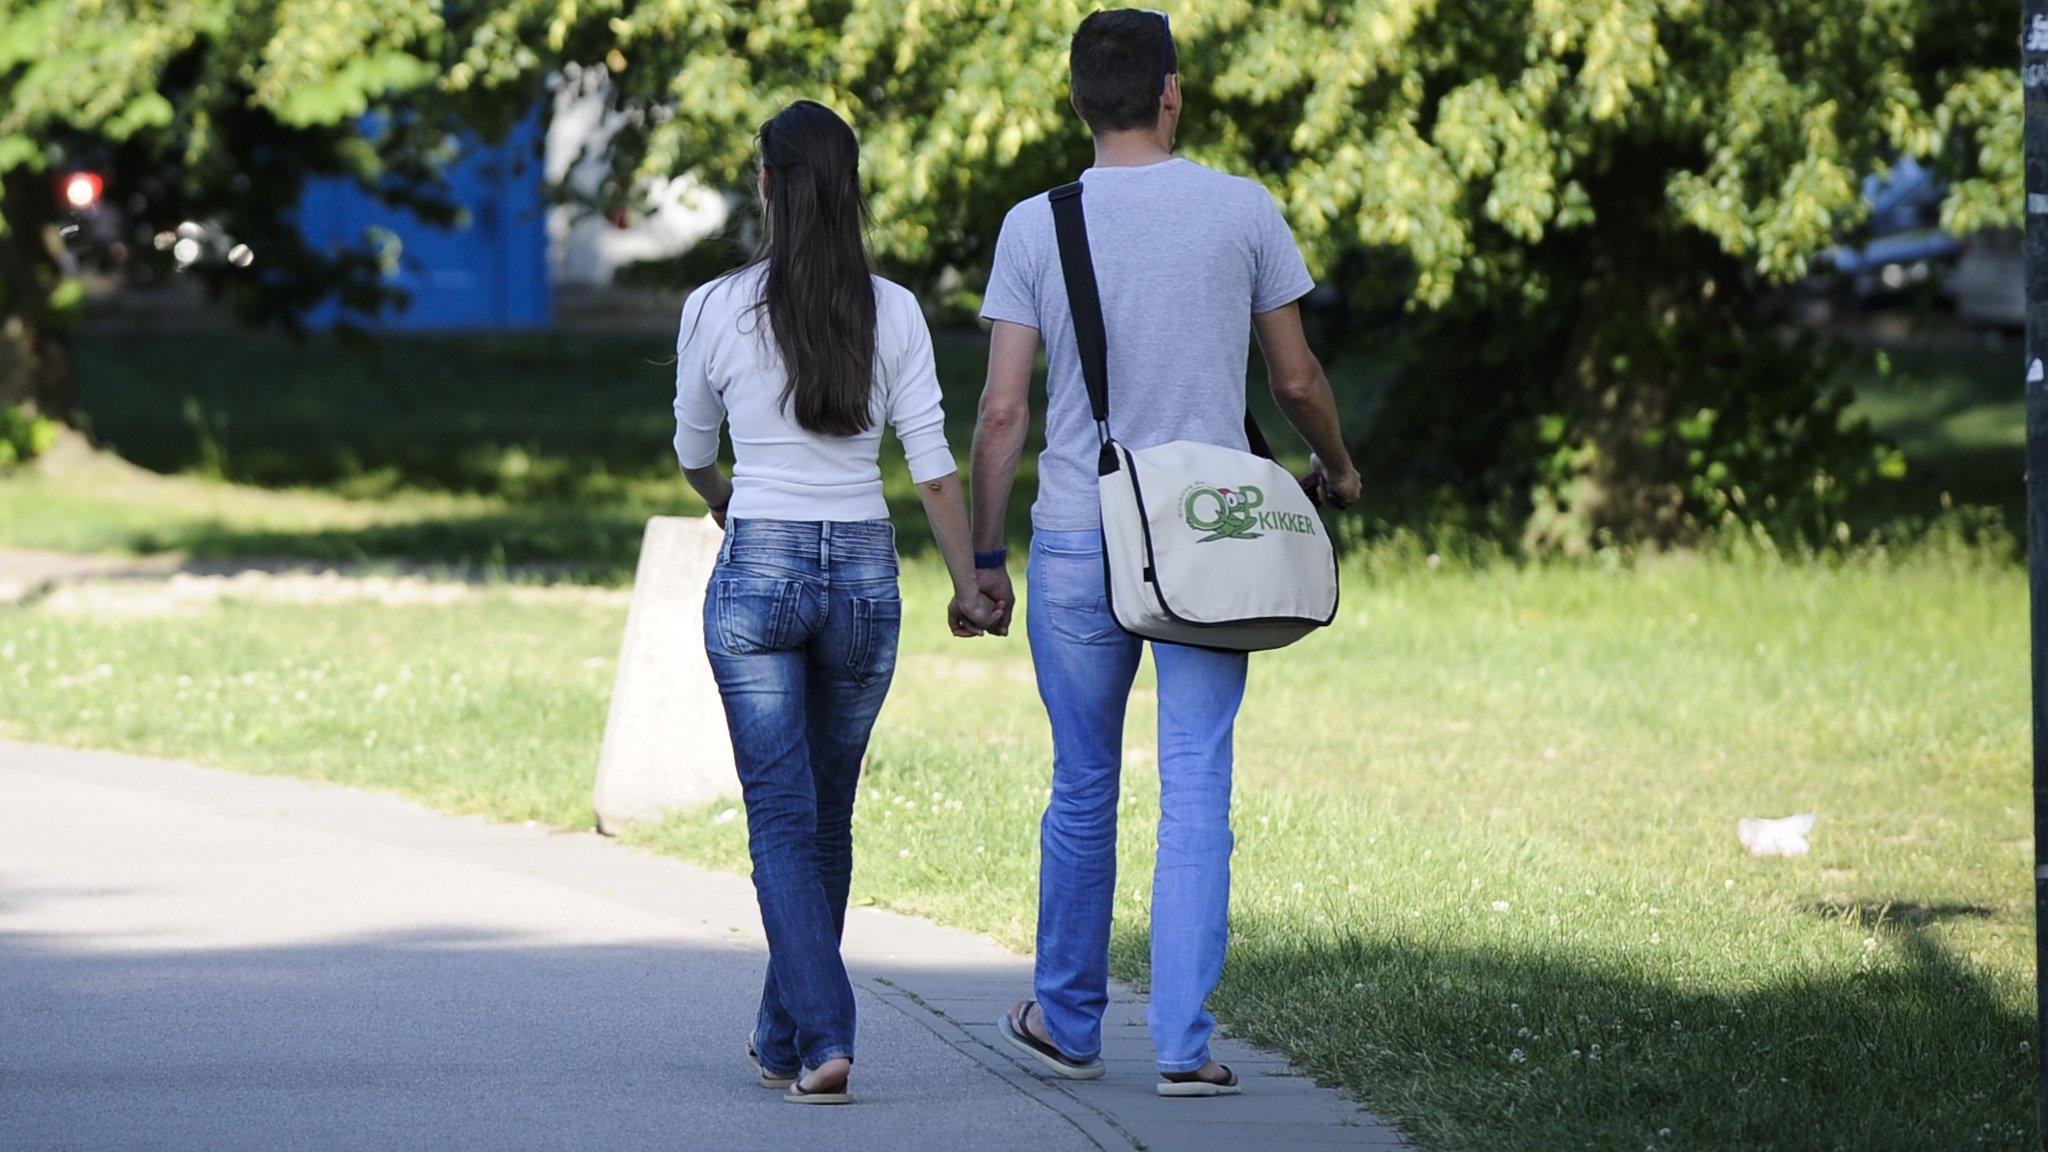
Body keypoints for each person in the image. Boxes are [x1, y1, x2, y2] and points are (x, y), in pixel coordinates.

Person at [967, 10, 1362, 1096]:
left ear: (1077, 100)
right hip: (1208, 537)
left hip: (1075, 534)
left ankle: (1066, 1018)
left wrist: (983, 555)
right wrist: (1337, 465)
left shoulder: (1034, 224)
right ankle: (1184, 1049)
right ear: (1171, 93)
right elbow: (1292, 382)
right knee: (1195, 782)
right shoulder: (1241, 210)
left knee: (1082, 781)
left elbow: (1001, 414)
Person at [674, 99, 997, 1106]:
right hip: (862, 573)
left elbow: (692, 454)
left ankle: (820, 1036)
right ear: (850, 187)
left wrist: (730, 509)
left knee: (781, 818)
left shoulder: (714, 307)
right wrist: (969, 576)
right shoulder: (893, 309)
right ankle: (786, 1035)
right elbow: (933, 468)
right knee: (823, 817)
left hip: (758, 565)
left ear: (765, 185)